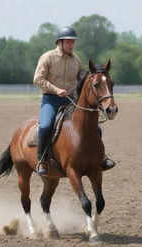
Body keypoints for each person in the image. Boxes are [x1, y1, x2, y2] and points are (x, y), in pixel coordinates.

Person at [33, 26, 115, 176]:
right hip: (50, 100)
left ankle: (101, 158)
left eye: (73, 42)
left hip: (71, 101)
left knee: (95, 128)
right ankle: (41, 160)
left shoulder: (76, 60)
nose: (72, 45)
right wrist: (56, 89)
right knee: (45, 127)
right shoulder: (47, 57)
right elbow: (37, 79)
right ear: (60, 42)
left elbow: (83, 79)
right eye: (69, 42)